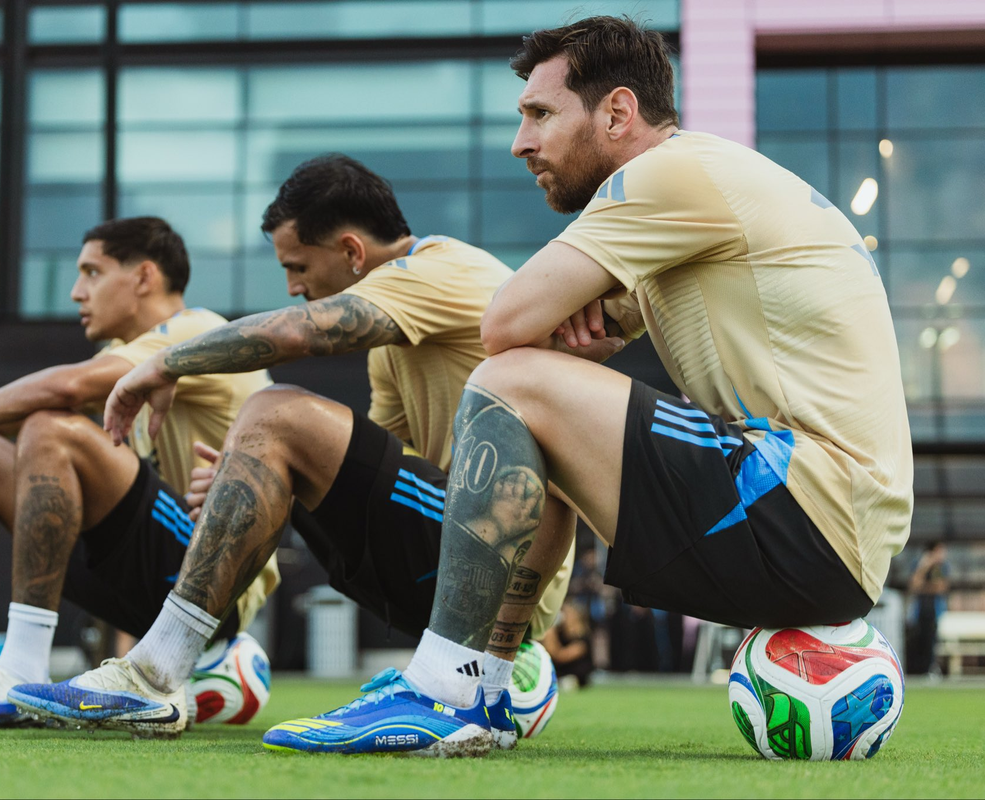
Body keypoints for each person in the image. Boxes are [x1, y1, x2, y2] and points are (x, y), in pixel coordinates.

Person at [270, 15, 913, 756]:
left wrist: (547, 353)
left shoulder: (668, 173)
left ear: (617, 113)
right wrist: (563, 354)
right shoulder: (702, 197)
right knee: (541, 397)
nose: (522, 143)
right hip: (825, 534)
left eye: (541, 114)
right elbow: (549, 338)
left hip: (804, 510)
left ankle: (448, 689)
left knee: (514, 382)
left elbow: (506, 326)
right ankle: (487, 680)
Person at [6, 154, 609, 743]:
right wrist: (247, 478)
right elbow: (376, 476)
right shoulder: (393, 347)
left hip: (502, 568)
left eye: (297, 267)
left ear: (351, 252)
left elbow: (308, 331)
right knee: (274, 432)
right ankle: (194, 662)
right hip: (445, 563)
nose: (294, 287)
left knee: (277, 410)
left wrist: (164, 365)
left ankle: (157, 672)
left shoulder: (446, 270)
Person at [0, 217, 276, 728]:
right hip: (138, 581)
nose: (75, 292)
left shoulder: (198, 332)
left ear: (144, 277)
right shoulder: (115, 357)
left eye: (92, 272)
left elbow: (64, 395)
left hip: (211, 589)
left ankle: (20, 670)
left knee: (49, 425)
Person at [908, 541, 949, 674]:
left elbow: (940, 587)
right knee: (918, 640)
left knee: (932, 640)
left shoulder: (941, 568)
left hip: (935, 610)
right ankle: (918, 670)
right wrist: (924, 566)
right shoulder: (920, 565)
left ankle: (930, 668)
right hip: (919, 611)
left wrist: (924, 587)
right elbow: (914, 586)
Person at [542, 602, 593, 689]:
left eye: (567, 614)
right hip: (559, 675)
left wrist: (551, 633)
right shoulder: (560, 634)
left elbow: (560, 656)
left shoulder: (582, 638)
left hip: (576, 678)